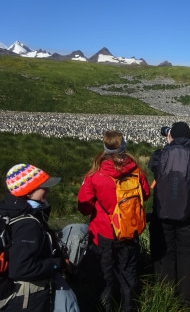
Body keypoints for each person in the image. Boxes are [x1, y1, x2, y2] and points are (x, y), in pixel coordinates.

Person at [77, 130, 150, 312]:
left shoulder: (95, 175)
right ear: (123, 146)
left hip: (104, 233)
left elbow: (83, 207)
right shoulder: (136, 170)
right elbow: (145, 194)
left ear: (105, 147)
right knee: (128, 275)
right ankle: (128, 307)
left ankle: (105, 309)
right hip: (129, 230)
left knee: (105, 276)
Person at [147, 121, 190, 309]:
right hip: (187, 216)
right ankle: (187, 304)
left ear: (170, 136)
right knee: (188, 258)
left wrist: (169, 142)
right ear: (189, 137)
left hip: (162, 215)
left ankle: (166, 298)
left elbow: (153, 164)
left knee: (164, 255)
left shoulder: (160, 154)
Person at [0, 163, 73, 312]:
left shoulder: (8, 211)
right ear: (28, 192)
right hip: (26, 299)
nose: (48, 190)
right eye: (43, 187)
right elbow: (22, 269)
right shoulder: (28, 224)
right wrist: (58, 264)